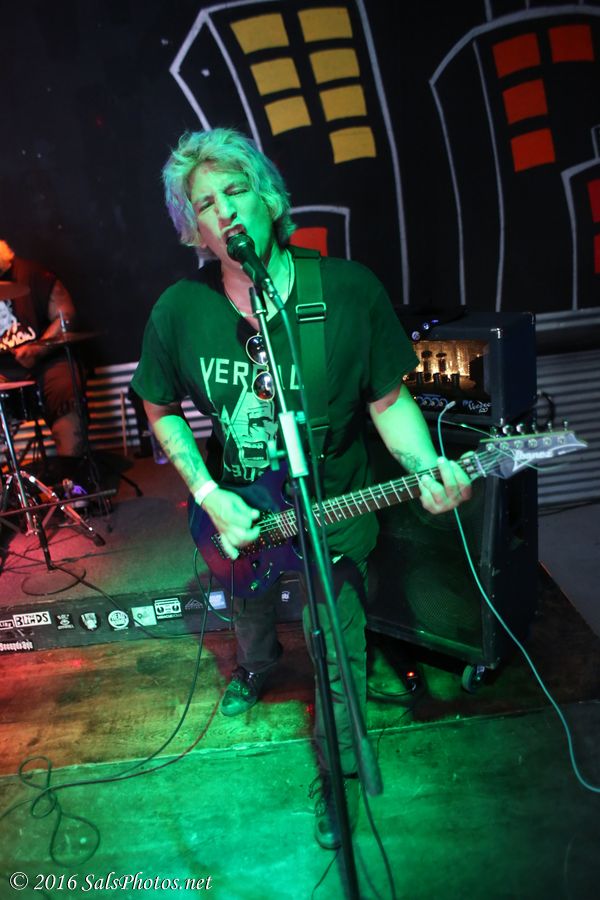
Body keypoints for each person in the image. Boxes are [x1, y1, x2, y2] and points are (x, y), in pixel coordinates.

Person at [131, 128, 472, 849]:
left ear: (270, 199)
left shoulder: (346, 292)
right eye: (205, 203)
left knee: (338, 654)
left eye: (235, 191)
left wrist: (423, 466)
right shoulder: (179, 311)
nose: (224, 210)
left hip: (332, 513)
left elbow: (388, 400)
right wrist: (207, 492)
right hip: (239, 514)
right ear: (193, 229)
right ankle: (256, 666)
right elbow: (159, 407)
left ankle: (341, 777)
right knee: (247, 603)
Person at [0, 240, 84, 467]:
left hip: (46, 360)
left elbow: (66, 315)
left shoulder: (33, 275)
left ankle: (73, 476)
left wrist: (38, 348)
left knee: (64, 387)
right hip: (4, 370)